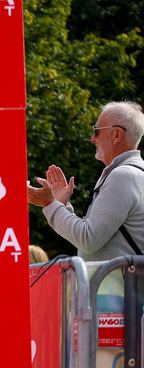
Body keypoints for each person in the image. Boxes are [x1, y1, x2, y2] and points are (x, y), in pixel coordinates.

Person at [28, 101, 144, 261]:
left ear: (117, 134)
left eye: (96, 131)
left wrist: (50, 204)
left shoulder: (123, 175)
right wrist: (60, 207)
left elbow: (88, 239)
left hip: (119, 278)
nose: (92, 139)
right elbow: (89, 235)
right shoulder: (135, 173)